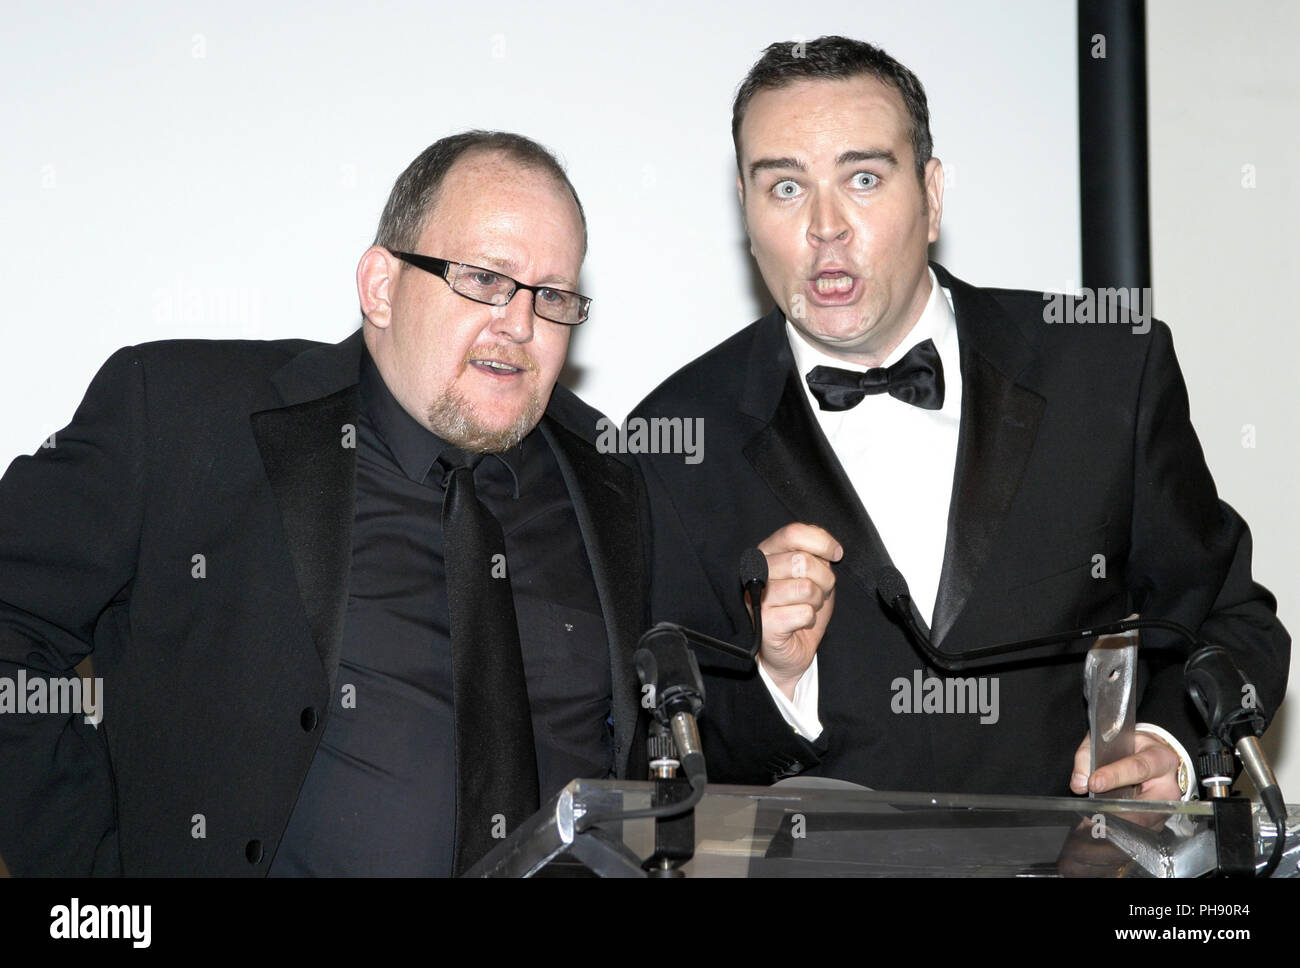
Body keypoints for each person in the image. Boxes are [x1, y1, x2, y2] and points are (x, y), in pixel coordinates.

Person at [631, 37, 1289, 800]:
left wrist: (1168, 740)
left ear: (932, 196)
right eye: (784, 189)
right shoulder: (674, 438)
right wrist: (779, 678)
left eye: (865, 178)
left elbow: (1231, 623)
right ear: (746, 212)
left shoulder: (1106, 370)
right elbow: (661, 754)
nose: (826, 226)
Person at [0, 131, 648, 876]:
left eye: (554, 296)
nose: (521, 324)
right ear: (381, 286)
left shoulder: (610, 474)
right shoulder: (185, 416)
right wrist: (93, 875)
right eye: (483, 279)